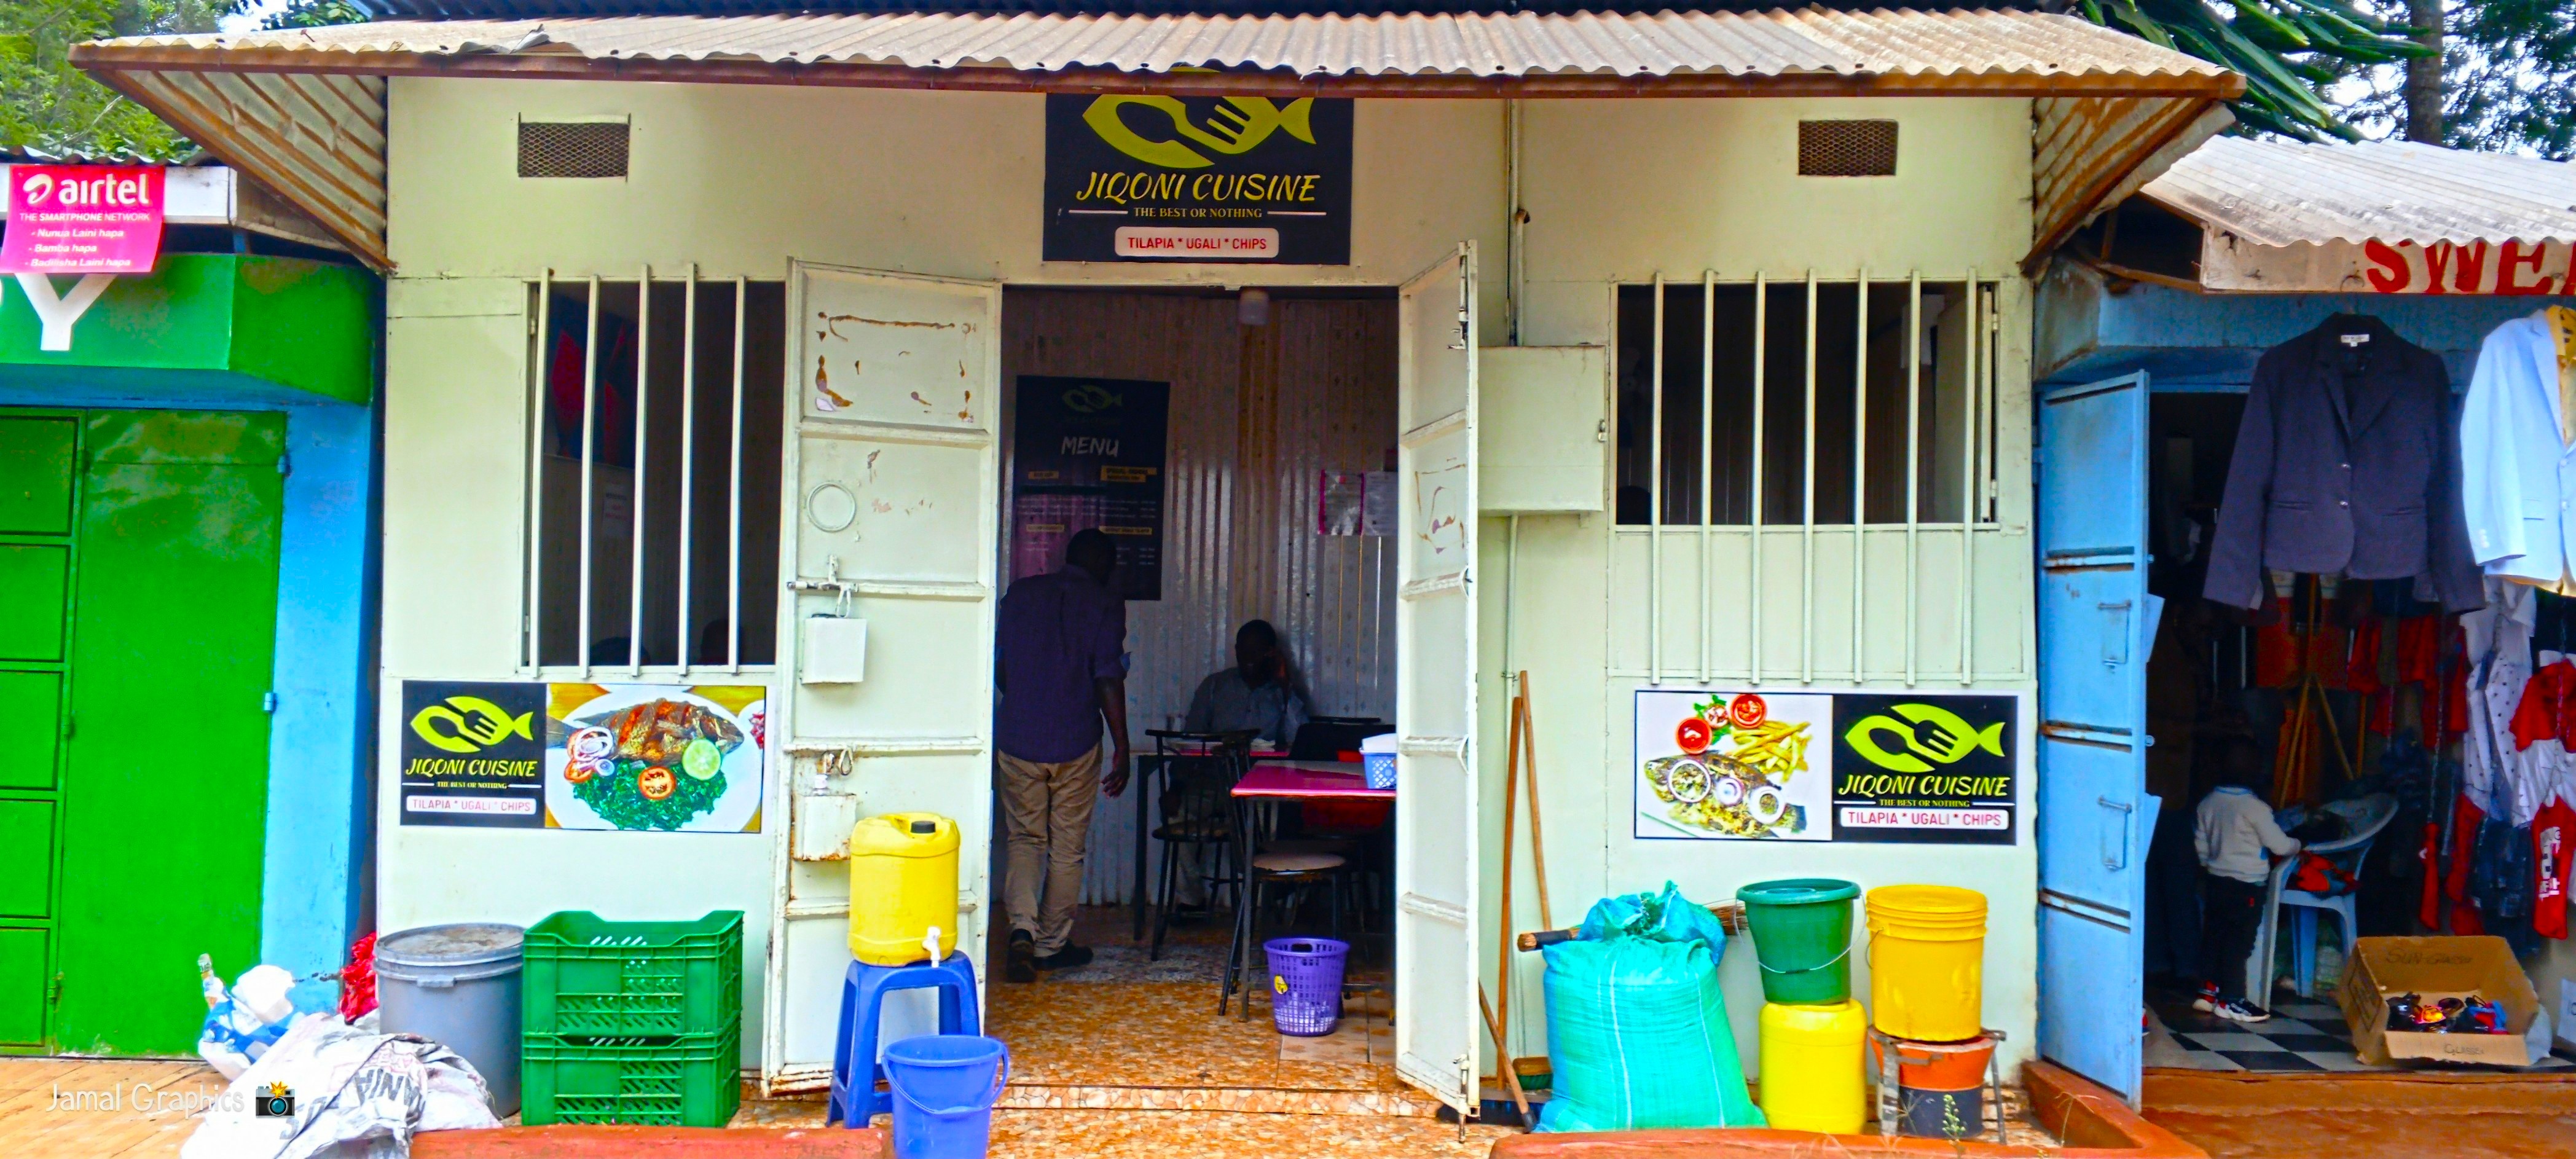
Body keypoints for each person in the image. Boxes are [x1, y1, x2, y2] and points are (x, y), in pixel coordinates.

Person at [993, 529, 1131, 982]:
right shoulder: (1105, 603)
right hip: (1076, 741)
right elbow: (1107, 677)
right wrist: (1122, 746)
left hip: (1019, 738)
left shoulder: (1019, 595)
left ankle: (1021, 930)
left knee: (1025, 838)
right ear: (1104, 564)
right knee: (1067, 848)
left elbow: (1001, 669)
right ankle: (1051, 945)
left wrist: (1027, 701)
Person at [2193, 737, 2301, 1023]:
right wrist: (2298, 844)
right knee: (2238, 944)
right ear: (2255, 771)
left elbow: (2201, 845)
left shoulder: (2208, 803)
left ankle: (2208, 992)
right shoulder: (2256, 808)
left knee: (2214, 937)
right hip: (2247, 887)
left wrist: (2209, 865)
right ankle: (2232, 1000)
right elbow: (2280, 846)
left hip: (2216, 882)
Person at [1183, 619, 1310, 748]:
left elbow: (1300, 741)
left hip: (1263, 760)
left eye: (1255, 650)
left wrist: (1285, 685)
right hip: (1219, 759)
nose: (1248, 657)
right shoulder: (1214, 686)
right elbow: (1191, 739)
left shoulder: (1282, 692)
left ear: (1271, 652)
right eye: (1243, 650)